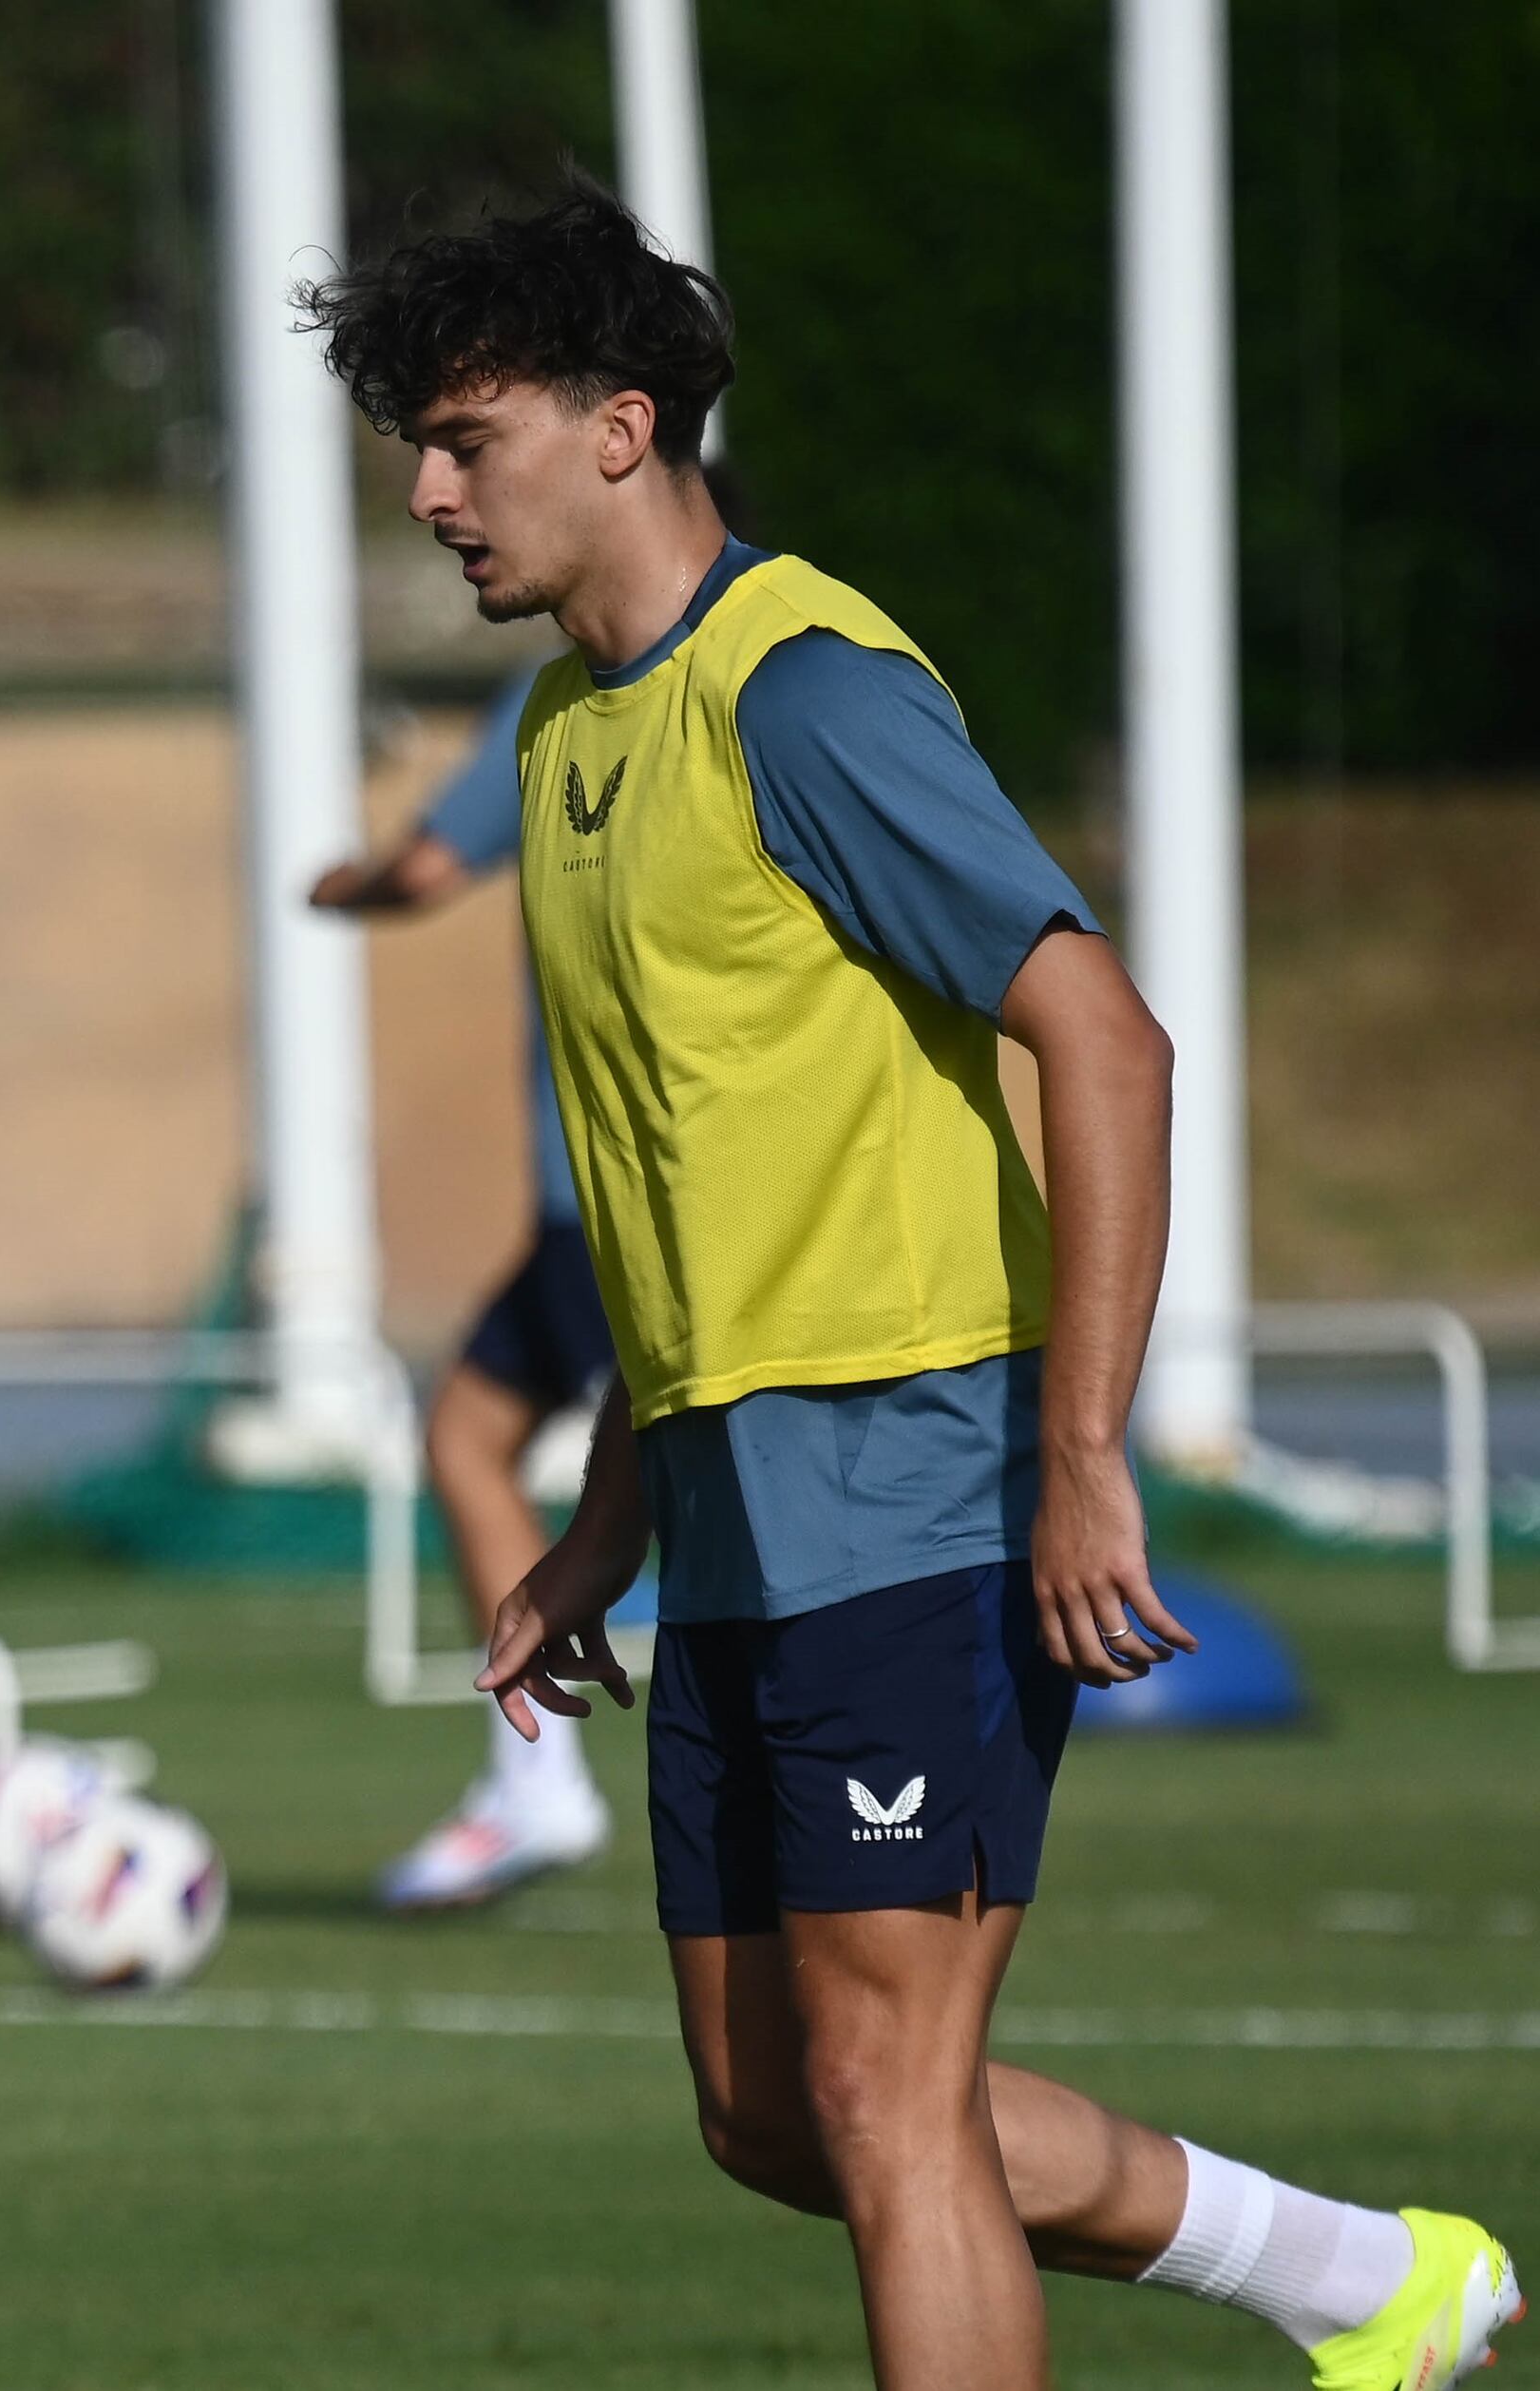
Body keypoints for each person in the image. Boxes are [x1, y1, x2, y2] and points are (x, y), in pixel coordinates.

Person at [318, 188, 1518, 2388]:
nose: (422, 494)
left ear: (622, 425)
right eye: (412, 444)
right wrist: (607, 1514)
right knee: (773, 2111)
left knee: (886, 2099)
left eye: (460, 439)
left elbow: (1102, 1036)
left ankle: (1361, 2281)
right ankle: (1363, 2278)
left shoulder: (807, 694)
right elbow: (675, 1193)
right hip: (729, 1506)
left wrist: (1081, 1460)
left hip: (919, 1473)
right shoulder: (570, 744)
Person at [303, 652, 617, 1910]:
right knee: (469, 1435)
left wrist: (342, 884)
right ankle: (539, 1783)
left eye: (470, 453)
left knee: (731, 1499)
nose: (448, 499)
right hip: (612, 1201)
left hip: (623, 1198)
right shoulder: (788, 669)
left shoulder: (579, 689)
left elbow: (427, 868)